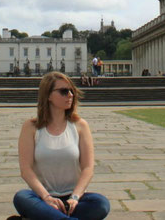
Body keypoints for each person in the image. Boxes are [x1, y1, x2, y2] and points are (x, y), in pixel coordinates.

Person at [11, 71, 110, 220]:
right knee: (21, 197)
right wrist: (47, 198)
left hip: (73, 199)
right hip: (43, 198)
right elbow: (26, 170)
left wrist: (75, 197)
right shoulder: (31, 127)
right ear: (48, 95)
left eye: (71, 90)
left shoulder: (80, 126)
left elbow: (88, 168)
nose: (70, 94)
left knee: (101, 204)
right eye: (64, 91)